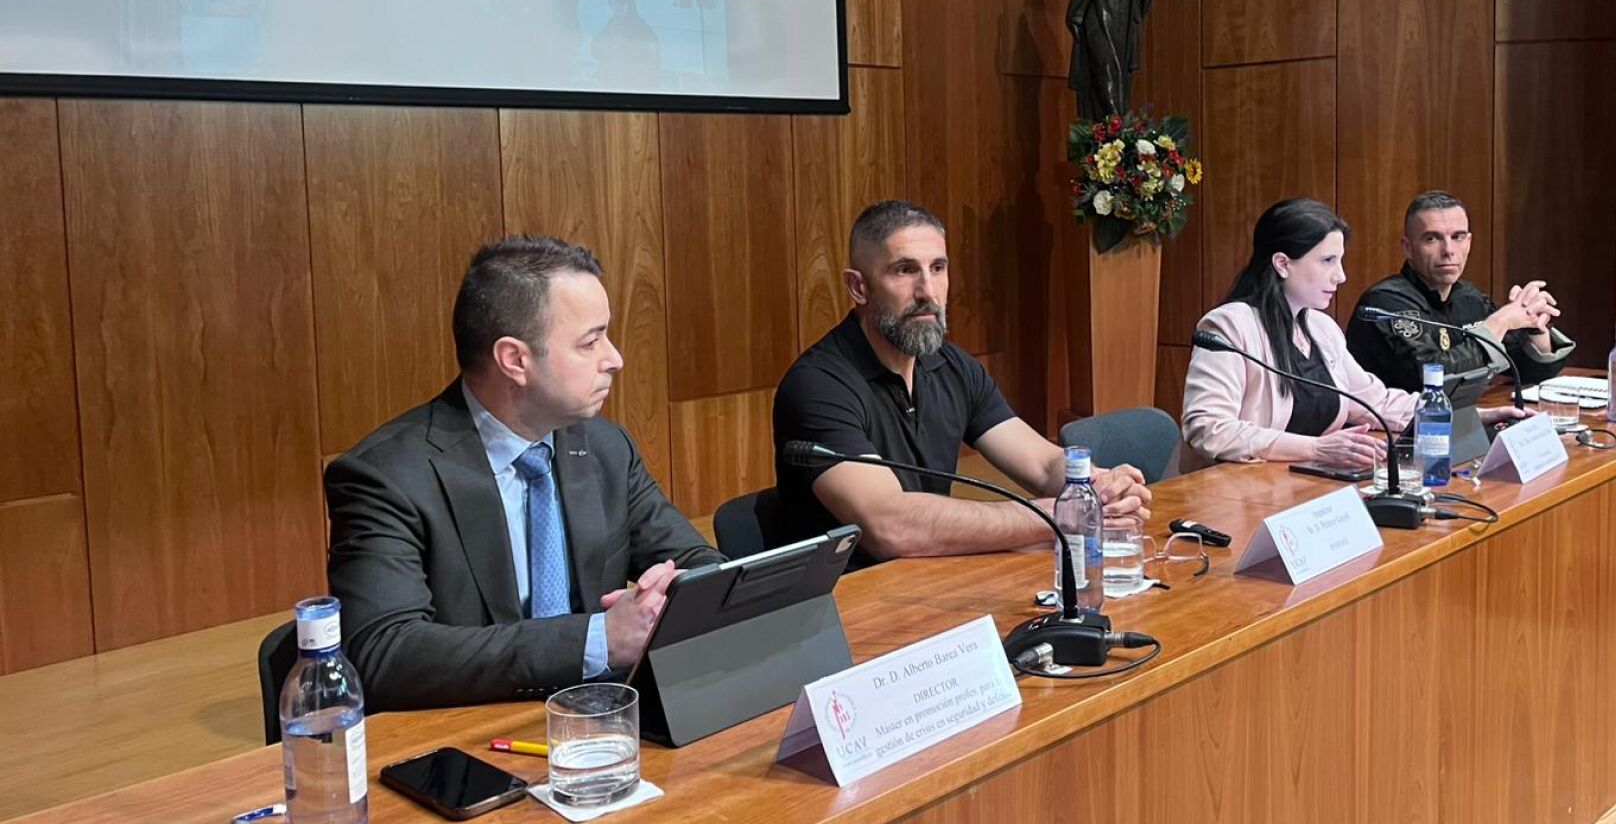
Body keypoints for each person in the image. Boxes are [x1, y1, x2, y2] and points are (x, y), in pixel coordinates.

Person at [325, 236, 721, 711]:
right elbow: (383, 653)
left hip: (606, 723)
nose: (615, 358)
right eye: (591, 341)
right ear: (515, 360)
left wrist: (672, 599)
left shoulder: (605, 448)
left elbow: (698, 563)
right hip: (467, 735)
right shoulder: (387, 477)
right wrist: (595, 641)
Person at [772, 201, 1153, 565]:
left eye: (938, 268)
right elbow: (890, 525)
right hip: (848, 609)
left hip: (935, 582)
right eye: (905, 271)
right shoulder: (817, 386)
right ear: (859, 288)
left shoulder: (952, 366)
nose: (928, 291)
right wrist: (1061, 513)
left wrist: (1099, 487)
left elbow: (1040, 463)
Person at [1180, 198, 1524, 473]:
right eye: (1328, 261)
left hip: (1300, 486)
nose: (1341, 276)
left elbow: (1379, 403)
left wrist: (1467, 415)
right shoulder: (1228, 327)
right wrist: (1314, 448)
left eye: (1340, 261)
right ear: (1283, 263)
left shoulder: (1320, 327)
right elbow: (1210, 429)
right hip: (1231, 495)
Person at [1345, 190, 1574, 393]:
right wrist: (1500, 322)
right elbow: (1431, 377)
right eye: (1432, 238)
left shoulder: (1469, 298)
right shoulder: (1385, 303)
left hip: (1464, 422)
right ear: (1408, 247)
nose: (1448, 251)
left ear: (1469, 242)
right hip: (1394, 433)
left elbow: (1528, 370)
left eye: (1458, 237)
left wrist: (1534, 327)